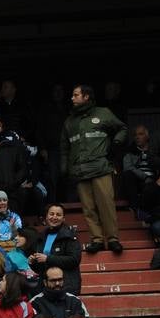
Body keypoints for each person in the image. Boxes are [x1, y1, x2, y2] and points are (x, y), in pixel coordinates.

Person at [61, 85, 128, 253]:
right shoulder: (69, 121)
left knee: (106, 205)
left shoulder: (103, 113)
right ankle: (97, 239)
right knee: (88, 208)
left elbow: (122, 128)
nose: (72, 98)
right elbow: (64, 147)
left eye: (75, 95)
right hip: (80, 170)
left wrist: (116, 143)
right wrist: (65, 168)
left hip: (100, 167)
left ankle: (112, 239)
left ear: (86, 97)